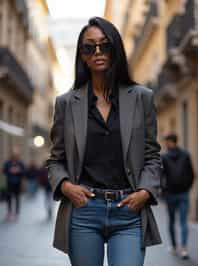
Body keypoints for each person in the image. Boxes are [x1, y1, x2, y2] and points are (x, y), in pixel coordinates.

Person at [47, 17, 161, 266]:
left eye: (104, 45)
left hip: (129, 211)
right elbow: (56, 161)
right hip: (84, 211)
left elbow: (152, 154)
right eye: (89, 47)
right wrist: (67, 187)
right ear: (83, 56)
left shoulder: (142, 98)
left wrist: (145, 191)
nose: (97, 52)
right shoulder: (66, 103)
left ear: (115, 49)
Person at [162, 133, 195, 260]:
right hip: (177, 194)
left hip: (177, 194)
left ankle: (180, 247)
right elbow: (192, 174)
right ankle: (179, 247)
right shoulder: (181, 155)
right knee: (177, 222)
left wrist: (164, 192)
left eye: (166, 141)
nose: (165, 144)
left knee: (177, 221)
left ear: (171, 142)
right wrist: (187, 187)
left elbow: (192, 174)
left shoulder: (167, 156)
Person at [2, 148, 25, 221]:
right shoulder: (8, 163)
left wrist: (18, 171)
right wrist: (10, 171)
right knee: (9, 198)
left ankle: (16, 213)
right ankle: (9, 212)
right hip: (9, 183)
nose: (15, 156)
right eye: (14, 155)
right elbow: (4, 171)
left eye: (16, 155)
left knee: (17, 198)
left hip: (17, 183)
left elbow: (24, 172)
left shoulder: (20, 163)